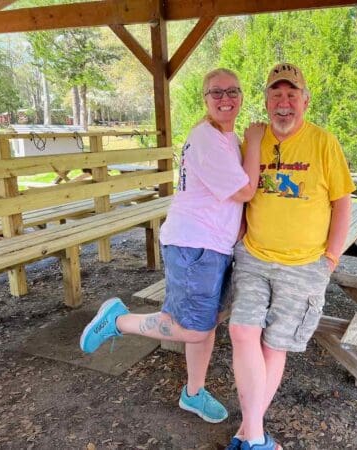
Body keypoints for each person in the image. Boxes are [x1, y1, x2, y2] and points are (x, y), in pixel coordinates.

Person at [79, 68, 264, 425]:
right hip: (193, 245)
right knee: (192, 328)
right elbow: (244, 191)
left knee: (207, 323)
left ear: (241, 95)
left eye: (233, 91)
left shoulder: (226, 138)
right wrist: (255, 141)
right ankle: (118, 320)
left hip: (217, 246)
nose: (226, 98)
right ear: (205, 99)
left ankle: (193, 393)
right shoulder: (208, 138)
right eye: (216, 92)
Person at [226, 63, 356, 450]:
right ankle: (254, 435)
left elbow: (342, 202)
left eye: (291, 95)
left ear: (305, 100)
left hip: (304, 264)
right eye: (276, 95)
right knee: (241, 330)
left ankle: (249, 432)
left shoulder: (324, 142)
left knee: (274, 344)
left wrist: (330, 258)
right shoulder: (253, 139)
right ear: (265, 100)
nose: (284, 103)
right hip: (253, 256)